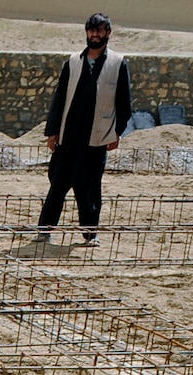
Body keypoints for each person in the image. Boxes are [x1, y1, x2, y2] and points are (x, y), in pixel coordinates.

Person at [38, 12, 133, 245]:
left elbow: (124, 103)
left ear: (107, 33)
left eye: (99, 30)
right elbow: (59, 99)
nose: (95, 34)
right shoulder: (72, 62)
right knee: (58, 183)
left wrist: (116, 132)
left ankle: (90, 235)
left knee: (89, 187)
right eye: (91, 30)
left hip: (97, 137)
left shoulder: (118, 64)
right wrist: (53, 131)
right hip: (69, 136)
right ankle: (44, 231)